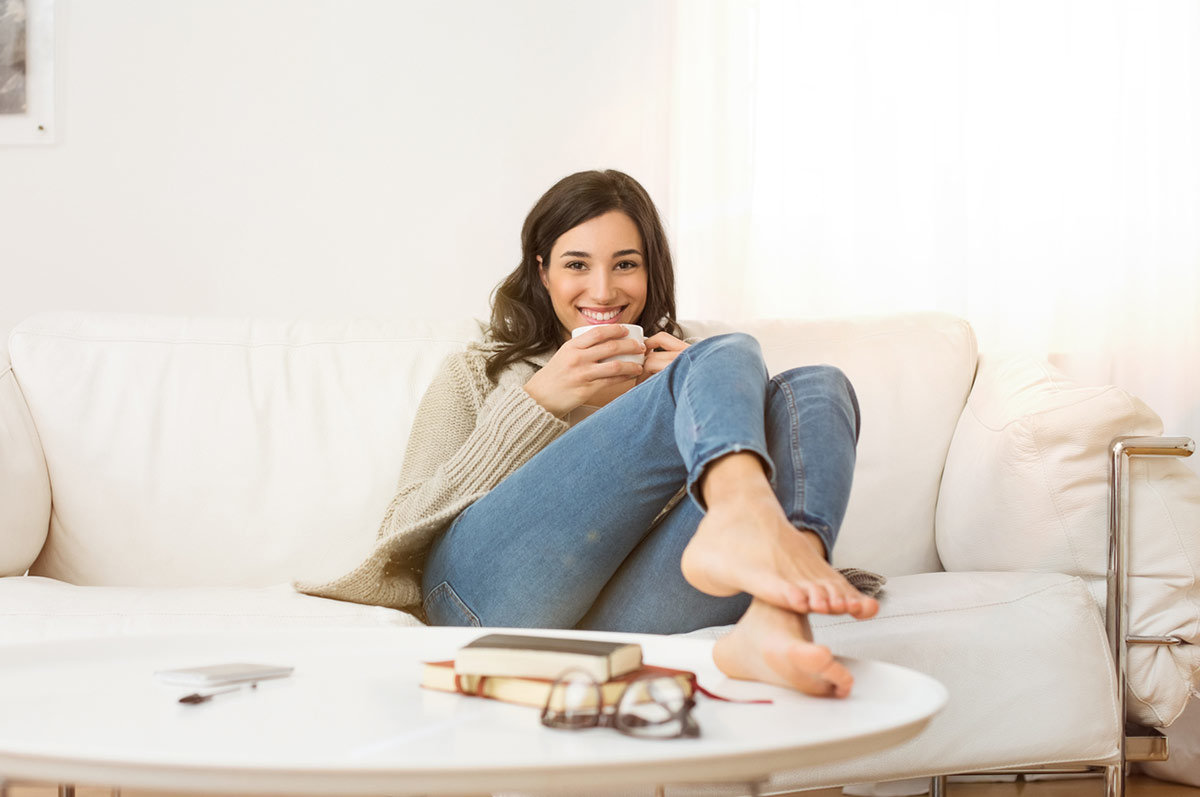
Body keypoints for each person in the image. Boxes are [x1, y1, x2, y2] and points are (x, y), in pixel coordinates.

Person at [298, 170, 880, 698]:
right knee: (728, 355)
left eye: (625, 264)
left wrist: (696, 387)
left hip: (625, 615)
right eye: (577, 265)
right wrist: (540, 403)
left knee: (818, 386)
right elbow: (401, 528)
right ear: (541, 269)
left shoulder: (687, 365)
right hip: (486, 603)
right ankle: (742, 521)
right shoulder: (479, 370)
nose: (603, 292)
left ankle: (777, 619)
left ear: (652, 271)